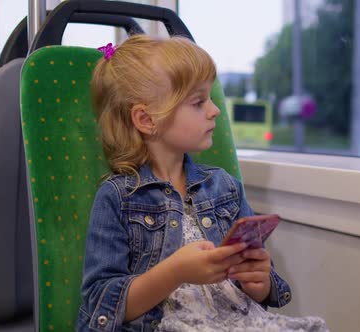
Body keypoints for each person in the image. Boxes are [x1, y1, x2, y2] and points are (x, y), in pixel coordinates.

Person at [77, 35, 327, 331]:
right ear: (146, 119)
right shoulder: (118, 197)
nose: (215, 110)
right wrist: (175, 272)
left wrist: (258, 284)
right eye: (198, 102)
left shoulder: (224, 188)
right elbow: (100, 301)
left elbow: (255, 283)